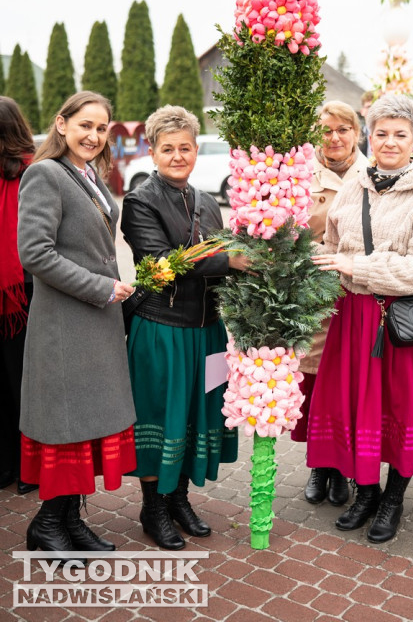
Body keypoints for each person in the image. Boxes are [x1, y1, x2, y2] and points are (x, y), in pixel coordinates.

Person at [308, 94, 413, 543]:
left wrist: (360, 268)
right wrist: (302, 252)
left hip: (404, 324)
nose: (389, 142)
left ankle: (393, 498)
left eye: (400, 134)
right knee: (359, 409)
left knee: (400, 410)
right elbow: (335, 247)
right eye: (381, 133)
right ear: (369, 136)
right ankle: (366, 493)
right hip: (354, 319)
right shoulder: (354, 187)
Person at [121, 105, 249, 550]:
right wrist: (228, 261)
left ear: (196, 150)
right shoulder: (140, 201)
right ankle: (152, 508)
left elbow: (226, 257)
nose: (178, 155)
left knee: (197, 414)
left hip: (208, 331)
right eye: (168, 148)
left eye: (186, 147)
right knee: (161, 416)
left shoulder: (208, 201)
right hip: (162, 327)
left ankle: (179, 500)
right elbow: (159, 264)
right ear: (152, 152)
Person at [17, 90, 136, 558]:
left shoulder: (89, 175)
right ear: (61, 124)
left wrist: (113, 284)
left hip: (93, 324)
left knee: (82, 428)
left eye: (101, 127)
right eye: (84, 124)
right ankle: (47, 527)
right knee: (66, 427)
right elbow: (36, 254)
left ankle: (69, 520)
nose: (92, 135)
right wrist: (102, 287)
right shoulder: (44, 174)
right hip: (66, 326)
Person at [290, 100, 369, 507]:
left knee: (352, 386)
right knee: (316, 384)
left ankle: (343, 468)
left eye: (343, 129)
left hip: (359, 295)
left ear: (357, 133)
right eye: (327, 130)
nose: (335, 138)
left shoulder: (373, 175)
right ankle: (319, 466)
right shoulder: (302, 175)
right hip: (314, 297)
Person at [0, 97, 38, 495]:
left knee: (22, 383)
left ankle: (30, 467)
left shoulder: (32, 172)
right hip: (4, 294)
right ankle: (5, 463)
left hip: (23, 296)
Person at [358, 90, 374, 157]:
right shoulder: (356, 136)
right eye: (369, 107)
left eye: (375, 106)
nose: (372, 110)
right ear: (362, 111)